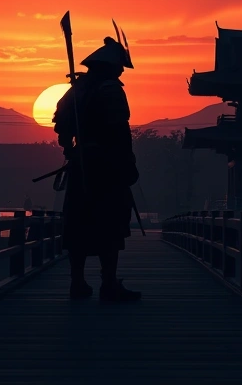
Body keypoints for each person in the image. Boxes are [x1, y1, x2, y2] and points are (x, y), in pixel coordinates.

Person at [52, 35, 141, 302]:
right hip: (108, 166)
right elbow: (119, 131)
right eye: (119, 66)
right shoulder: (110, 89)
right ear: (110, 66)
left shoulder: (76, 90)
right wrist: (127, 163)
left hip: (82, 165)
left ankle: (77, 283)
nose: (121, 71)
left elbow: (61, 127)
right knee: (110, 223)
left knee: (79, 221)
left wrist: (71, 152)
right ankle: (109, 283)